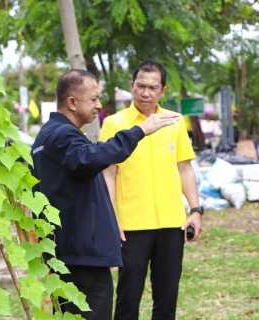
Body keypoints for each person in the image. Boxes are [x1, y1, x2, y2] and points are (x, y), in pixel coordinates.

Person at [30, 69, 180, 319]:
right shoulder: (63, 134)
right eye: (94, 99)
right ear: (72, 102)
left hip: (66, 249)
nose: (99, 105)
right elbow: (89, 158)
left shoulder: (45, 135)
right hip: (81, 255)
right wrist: (139, 131)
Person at [99, 60, 203, 320]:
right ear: (132, 86)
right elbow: (108, 174)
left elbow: (185, 168)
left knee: (167, 299)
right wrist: (112, 220)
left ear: (163, 91)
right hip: (131, 225)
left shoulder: (175, 121)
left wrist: (196, 210)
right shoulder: (114, 123)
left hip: (172, 223)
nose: (146, 93)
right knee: (128, 298)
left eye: (153, 88)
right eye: (141, 86)